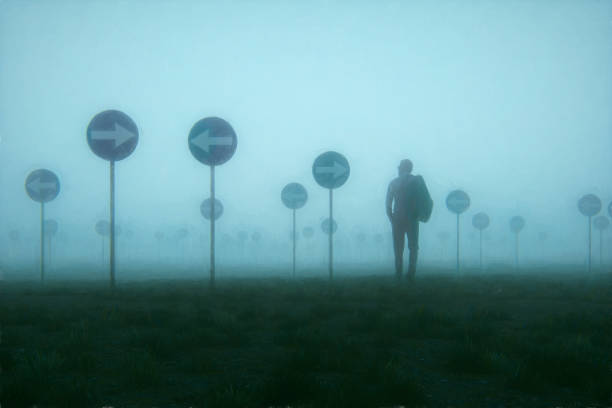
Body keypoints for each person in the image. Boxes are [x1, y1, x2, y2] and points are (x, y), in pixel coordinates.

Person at [386, 159, 426, 281]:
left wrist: (391, 217)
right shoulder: (417, 181)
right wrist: (420, 215)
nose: (398, 170)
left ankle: (398, 272)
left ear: (402, 168)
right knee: (413, 246)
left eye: (399, 168)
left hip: (397, 218)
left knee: (398, 247)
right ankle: (411, 273)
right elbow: (424, 199)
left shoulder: (393, 183)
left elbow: (388, 203)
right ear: (410, 168)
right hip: (412, 218)